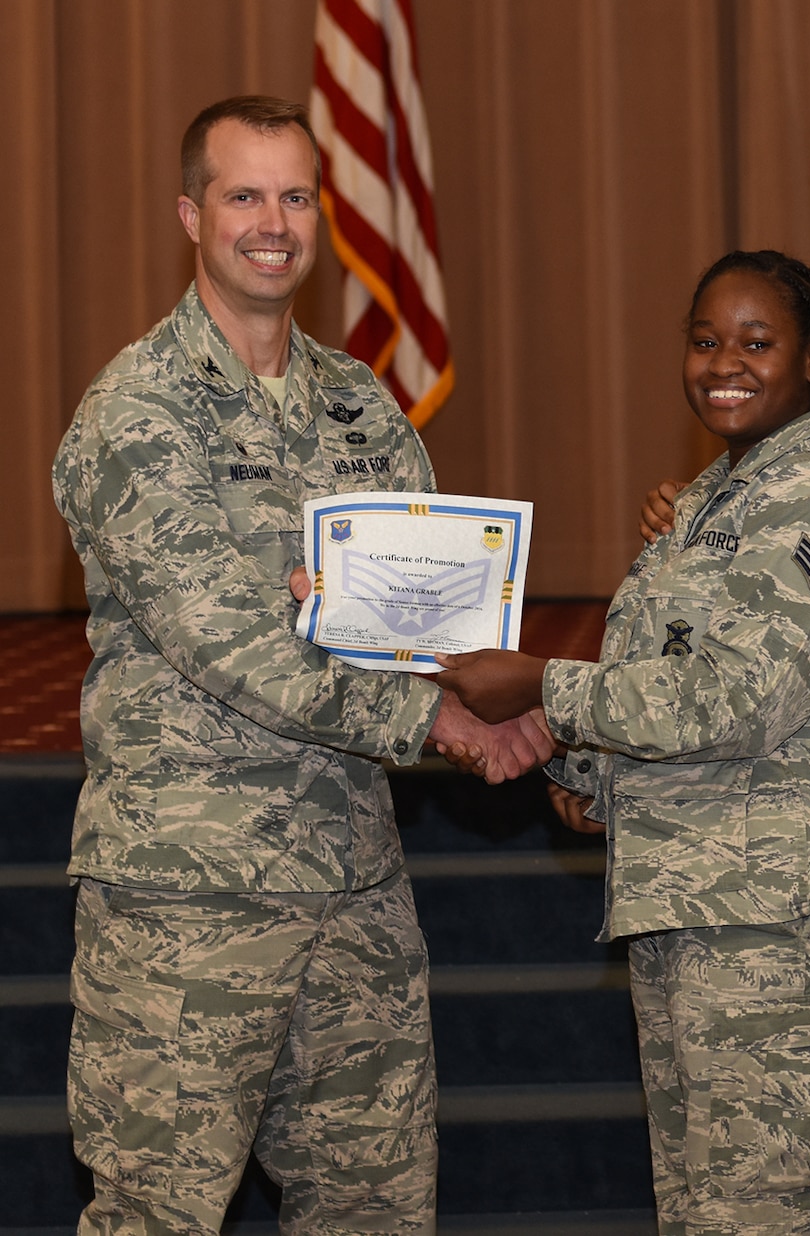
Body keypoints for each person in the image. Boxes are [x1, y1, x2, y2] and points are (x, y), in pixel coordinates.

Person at [51, 95, 547, 1234]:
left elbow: (428, 611)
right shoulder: (137, 414)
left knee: (373, 1211)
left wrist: (482, 687)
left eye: (294, 196)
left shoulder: (362, 406)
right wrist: (440, 723)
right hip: (191, 898)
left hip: (351, 886)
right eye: (242, 195)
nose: (271, 222)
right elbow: (229, 648)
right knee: (156, 1214)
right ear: (191, 214)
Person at [437, 250, 810, 1234]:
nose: (723, 362)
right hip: (691, 908)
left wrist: (541, 686)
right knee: (701, 1216)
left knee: (763, 1219)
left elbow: (738, 705)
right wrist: (585, 771)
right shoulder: (704, 502)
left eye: (755, 341)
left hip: (777, 930)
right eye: (703, 339)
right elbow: (657, 688)